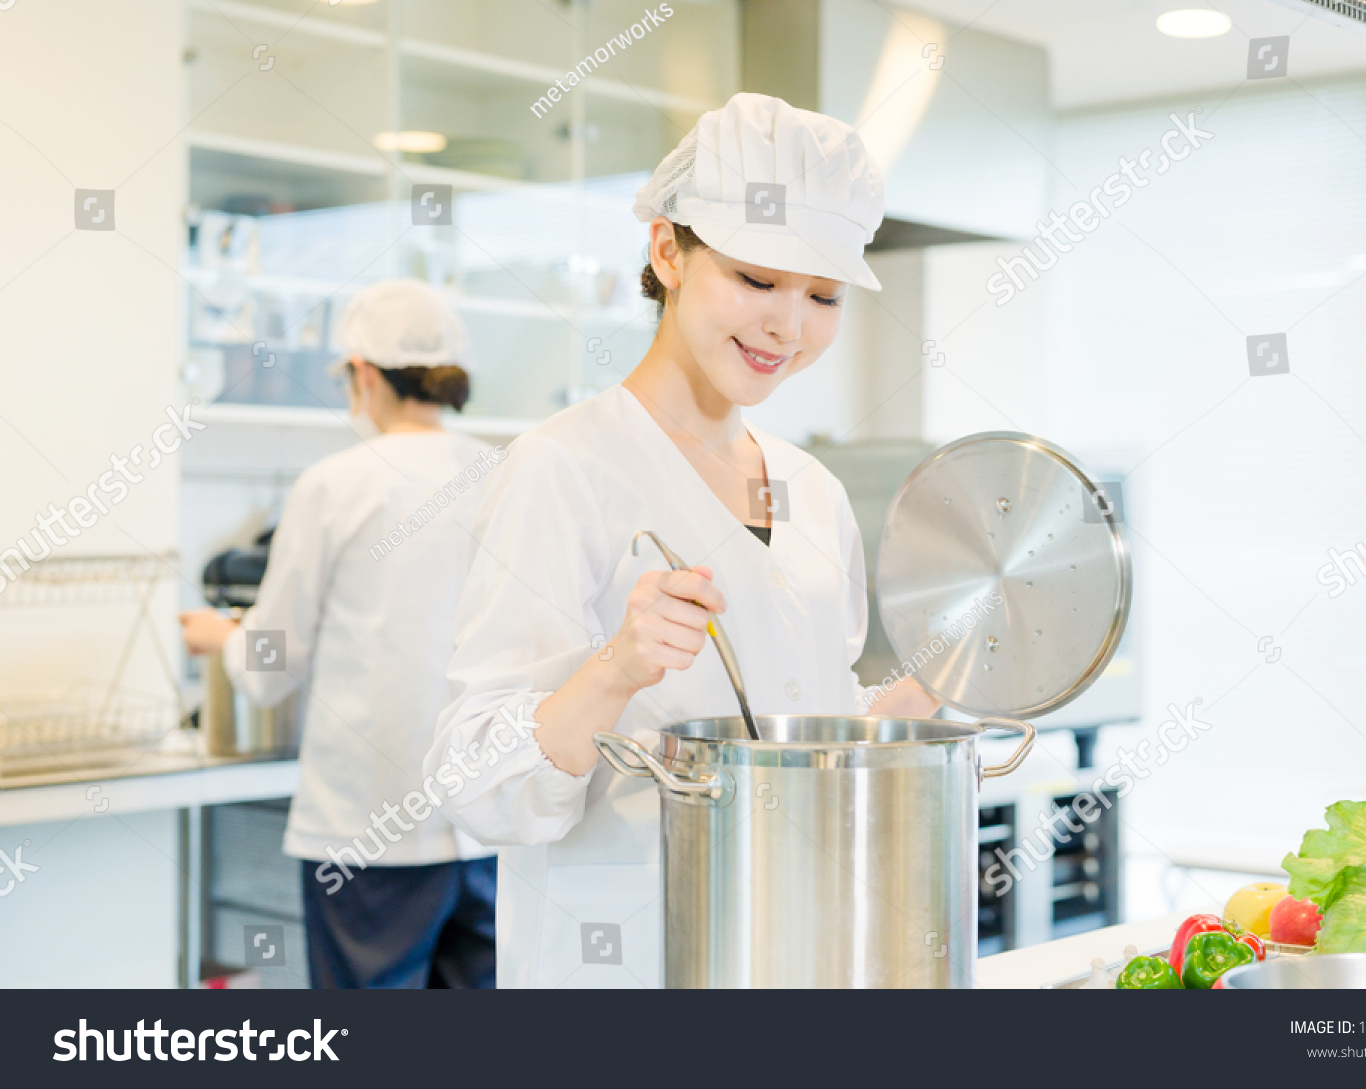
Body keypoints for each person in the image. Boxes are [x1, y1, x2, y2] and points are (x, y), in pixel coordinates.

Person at [425, 93, 941, 988]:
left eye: (822, 295)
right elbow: (474, 781)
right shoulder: (562, 469)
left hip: (800, 949)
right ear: (669, 250)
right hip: (623, 964)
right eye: (756, 279)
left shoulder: (811, 492)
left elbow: (796, 708)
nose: (789, 325)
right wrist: (616, 667)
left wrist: (879, 724)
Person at [180, 279, 500, 989]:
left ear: (362, 372)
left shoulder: (336, 483)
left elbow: (272, 663)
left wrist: (222, 634)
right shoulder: (502, 473)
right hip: (486, 816)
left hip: (370, 826)